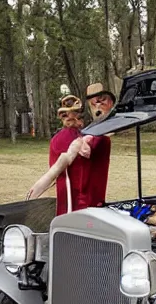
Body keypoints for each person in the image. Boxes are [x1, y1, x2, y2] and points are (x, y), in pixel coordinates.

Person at [26, 83, 116, 215]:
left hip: (86, 202)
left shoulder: (85, 135)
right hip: (78, 204)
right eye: (95, 102)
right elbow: (86, 150)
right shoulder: (71, 137)